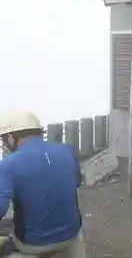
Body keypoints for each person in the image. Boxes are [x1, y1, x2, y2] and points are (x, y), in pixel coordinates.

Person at [0, 110, 85, 257]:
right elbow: (75, 184)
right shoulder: (67, 150)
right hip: (71, 235)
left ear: (11, 137)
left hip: (32, 244)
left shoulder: (8, 164)